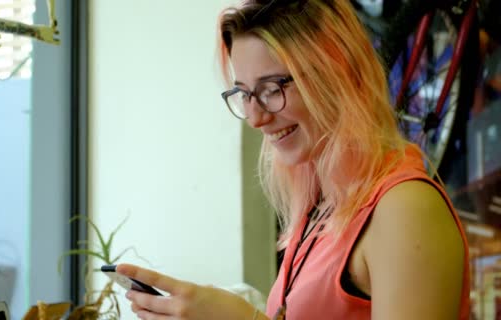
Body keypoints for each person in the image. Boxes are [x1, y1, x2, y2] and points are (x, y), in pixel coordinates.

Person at [118, 0, 470, 319]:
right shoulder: (320, 210)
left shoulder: (405, 209)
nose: (256, 118)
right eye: (244, 94)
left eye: (272, 89)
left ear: (335, 76)